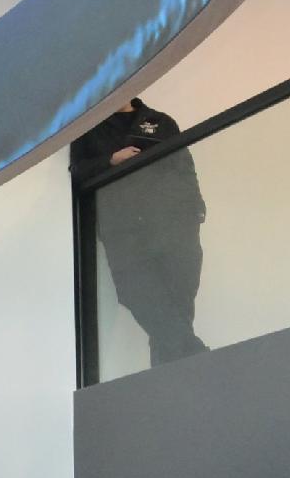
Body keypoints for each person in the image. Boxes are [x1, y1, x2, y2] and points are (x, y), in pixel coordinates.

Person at [75, 98, 205, 364]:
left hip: (174, 230)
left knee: (176, 311)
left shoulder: (161, 122)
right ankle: (201, 361)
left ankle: (171, 389)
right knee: (144, 298)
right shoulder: (89, 127)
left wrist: (195, 212)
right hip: (124, 233)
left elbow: (184, 169)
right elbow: (77, 172)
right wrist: (111, 160)